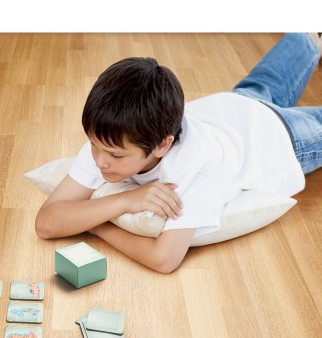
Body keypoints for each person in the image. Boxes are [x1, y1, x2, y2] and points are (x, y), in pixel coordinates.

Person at [35, 33, 322, 273]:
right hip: (235, 104)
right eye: (93, 146)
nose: (99, 160)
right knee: (303, 40)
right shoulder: (108, 138)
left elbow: (164, 259)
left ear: (162, 145)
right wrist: (124, 200)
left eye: (116, 156)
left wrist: (96, 226)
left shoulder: (195, 165)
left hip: (279, 137)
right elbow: (46, 224)